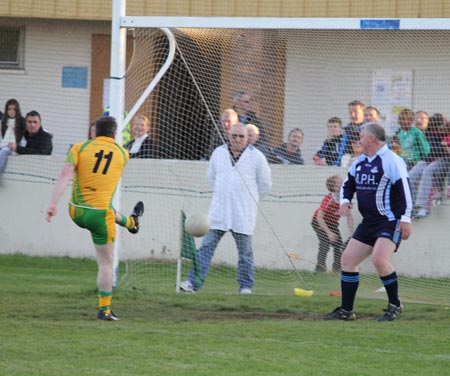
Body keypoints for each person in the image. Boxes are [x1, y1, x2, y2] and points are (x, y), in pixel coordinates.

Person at [45, 116, 145, 321]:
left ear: (93, 132)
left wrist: (53, 204)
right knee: (106, 264)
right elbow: (126, 154)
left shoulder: (79, 148)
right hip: (100, 217)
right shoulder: (122, 154)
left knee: (108, 208)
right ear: (115, 135)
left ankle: (131, 223)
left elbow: (65, 174)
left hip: (77, 212)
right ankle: (105, 310)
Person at [324, 122, 412, 322]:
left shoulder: (392, 161)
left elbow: (406, 192)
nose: (359, 140)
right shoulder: (360, 161)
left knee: (380, 260)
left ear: (372, 138)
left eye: (362, 136)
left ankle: (394, 305)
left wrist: (405, 220)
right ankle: (347, 311)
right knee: (347, 260)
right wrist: (346, 201)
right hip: (369, 222)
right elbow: (348, 184)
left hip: (390, 221)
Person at [180, 123, 272, 294]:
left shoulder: (257, 157)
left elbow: (265, 184)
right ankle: (193, 282)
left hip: (243, 212)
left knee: (245, 254)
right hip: (219, 211)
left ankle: (245, 286)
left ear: (248, 138)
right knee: (205, 249)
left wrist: (249, 200)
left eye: (241, 136)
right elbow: (212, 177)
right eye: (234, 136)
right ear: (229, 136)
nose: (237, 139)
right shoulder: (218, 153)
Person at [409, 113, 450, 219]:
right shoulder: (430, 133)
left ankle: (423, 206)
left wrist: (442, 149)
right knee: (411, 175)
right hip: (429, 159)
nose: (441, 129)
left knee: (428, 171)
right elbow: (433, 150)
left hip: (443, 160)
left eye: (443, 126)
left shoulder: (447, 131)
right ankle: (411, 207)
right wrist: (442, 149)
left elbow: (442, 152)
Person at [311, 175, 353, 273]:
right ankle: (319, 268)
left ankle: (337, 268)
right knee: (325, 244)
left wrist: (351, 233)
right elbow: (319, 217)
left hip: (332, 223)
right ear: (334, 187)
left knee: (339, 245)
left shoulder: (346, 199)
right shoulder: (329, 199)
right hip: (319, 222)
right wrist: (329, 233)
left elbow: (349, 216)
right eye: (340, 182)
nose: (344, 183)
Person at [335, 100, 365, 166]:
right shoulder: (345, 130)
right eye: (350, 112)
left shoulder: (368, 130)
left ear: (363, 113)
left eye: (356, 112)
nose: (353, 115)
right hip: (345, 163)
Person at [0, 99, 26, 174]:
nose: (11, 111)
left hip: (15, 147)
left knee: (4, 151)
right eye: (9, 109)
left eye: (14, 109)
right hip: (4, 145)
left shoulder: (21, 120)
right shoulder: (4, 121)